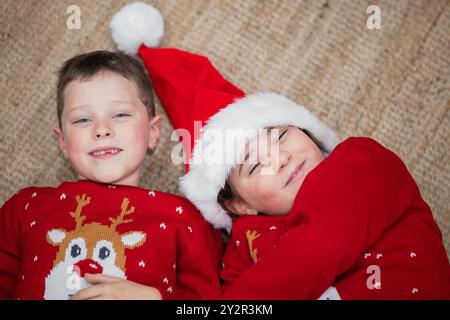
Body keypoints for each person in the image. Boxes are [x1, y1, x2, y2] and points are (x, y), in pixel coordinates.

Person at [137, 47, 450, 299]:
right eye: (256, 165)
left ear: (308, 132)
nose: (281, 158)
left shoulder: (360, 161)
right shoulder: (243, 249)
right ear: (240, 206)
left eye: (281, 137)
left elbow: (321, 249)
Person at [0, 50, 222, 300]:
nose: (102, 129)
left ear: (152, 133)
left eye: (120, 115)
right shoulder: (24, 208)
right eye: (83, 119)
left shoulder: (184, 219)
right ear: (62, 142)